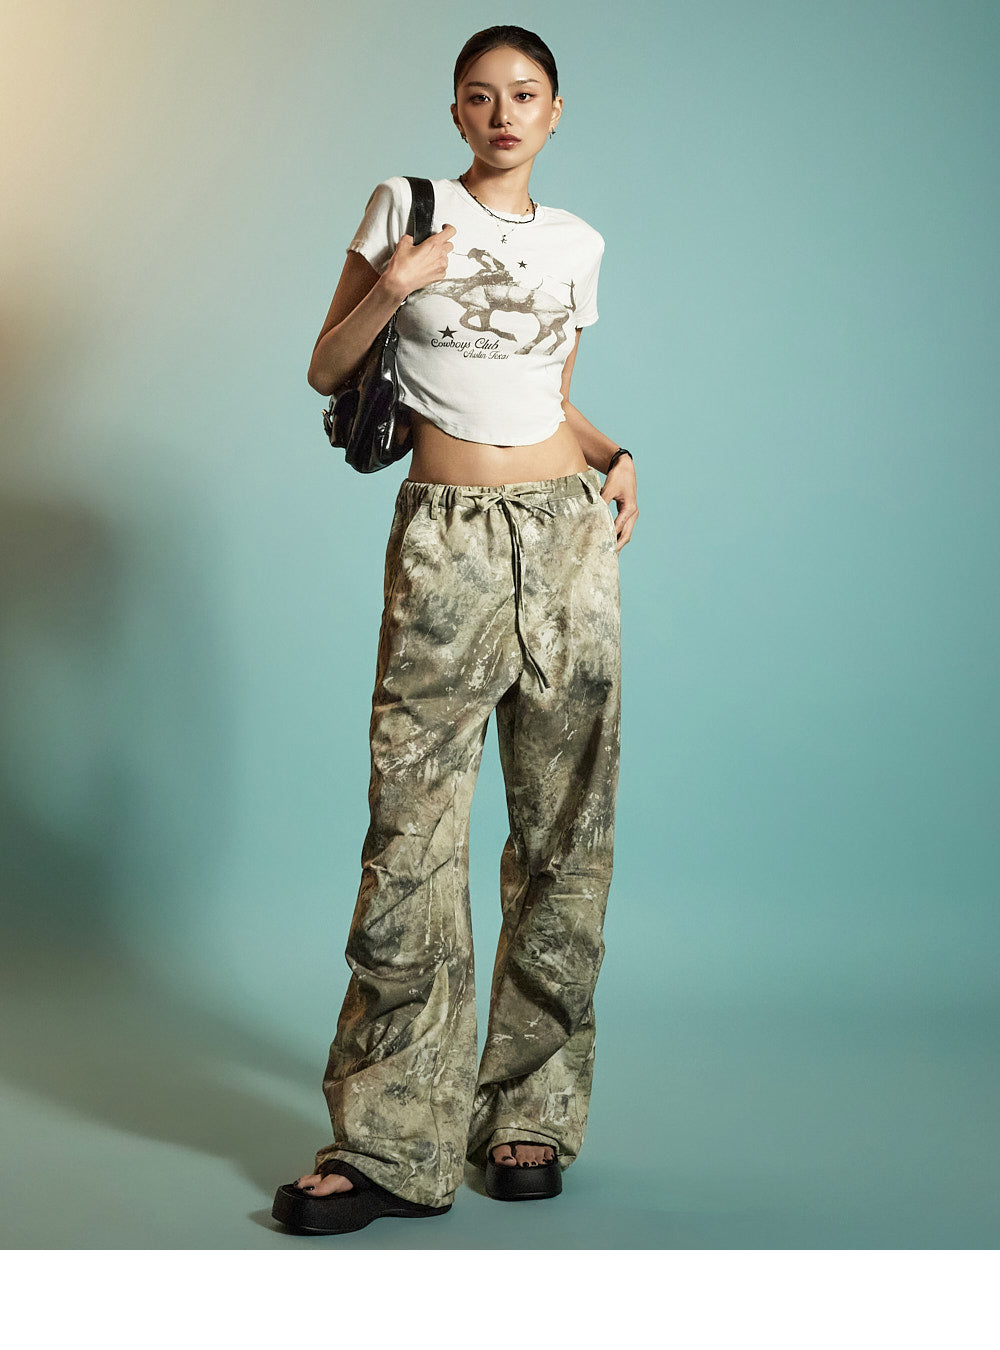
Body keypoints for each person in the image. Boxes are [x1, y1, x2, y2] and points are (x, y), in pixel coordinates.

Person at [272, 24, 638, 1236]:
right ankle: (389, 1142)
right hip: (448, 542)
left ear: (554, 110)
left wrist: (615, 453)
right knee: (411, 837)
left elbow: (546, 395)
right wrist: (396, 283)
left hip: (567, 538)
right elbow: (327, 368)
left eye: (523, 95)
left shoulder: (578, 243)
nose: (502, 113)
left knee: (566, 830)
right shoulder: (406, 206)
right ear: (455, 112)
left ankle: (529, 1112)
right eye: (480, 96)